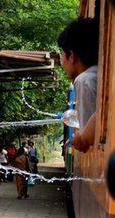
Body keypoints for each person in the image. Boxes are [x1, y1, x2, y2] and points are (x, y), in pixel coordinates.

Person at [58, 18, 99, 152]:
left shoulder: (84, 80)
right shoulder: (97, 73)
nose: (62, 63)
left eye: (62, 55)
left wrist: (78, 138)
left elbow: (88, 137)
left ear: (72, 55)